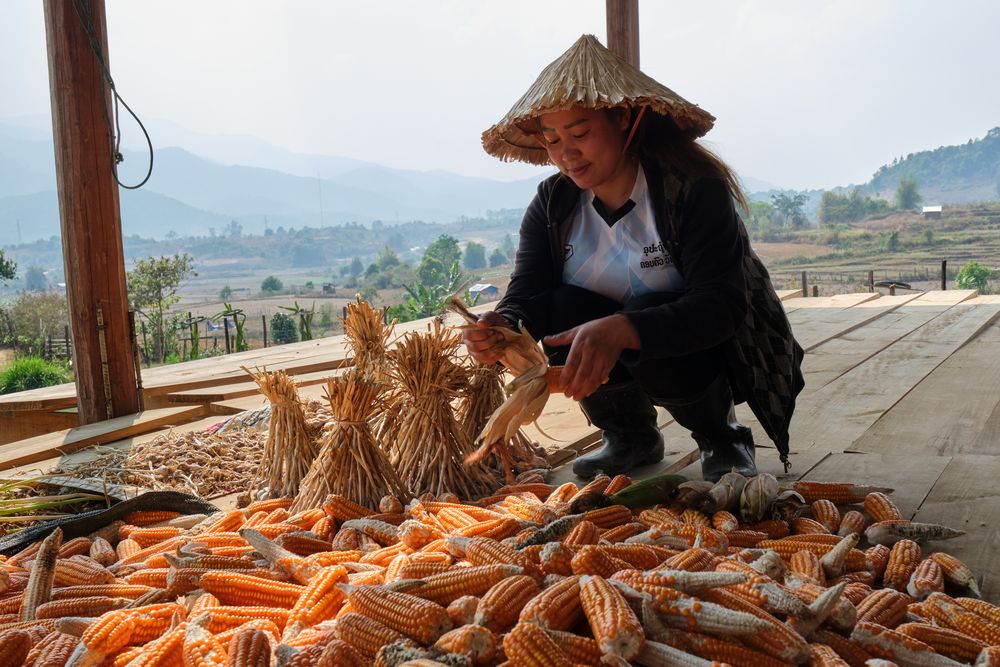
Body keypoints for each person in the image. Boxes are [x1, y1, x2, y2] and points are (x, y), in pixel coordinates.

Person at [465, 35, 804, 482]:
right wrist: (503, 326)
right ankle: (629, 436)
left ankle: (721, 436)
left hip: (703, 351)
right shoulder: (553, 204)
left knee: (645, 315)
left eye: (581, 133)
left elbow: (720, 305)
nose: (566, 153)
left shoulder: (692, 189)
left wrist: (627, 328)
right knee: (566, 311)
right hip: (609, 340)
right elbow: (530, 290)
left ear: (624, 118)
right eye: (552, 139)